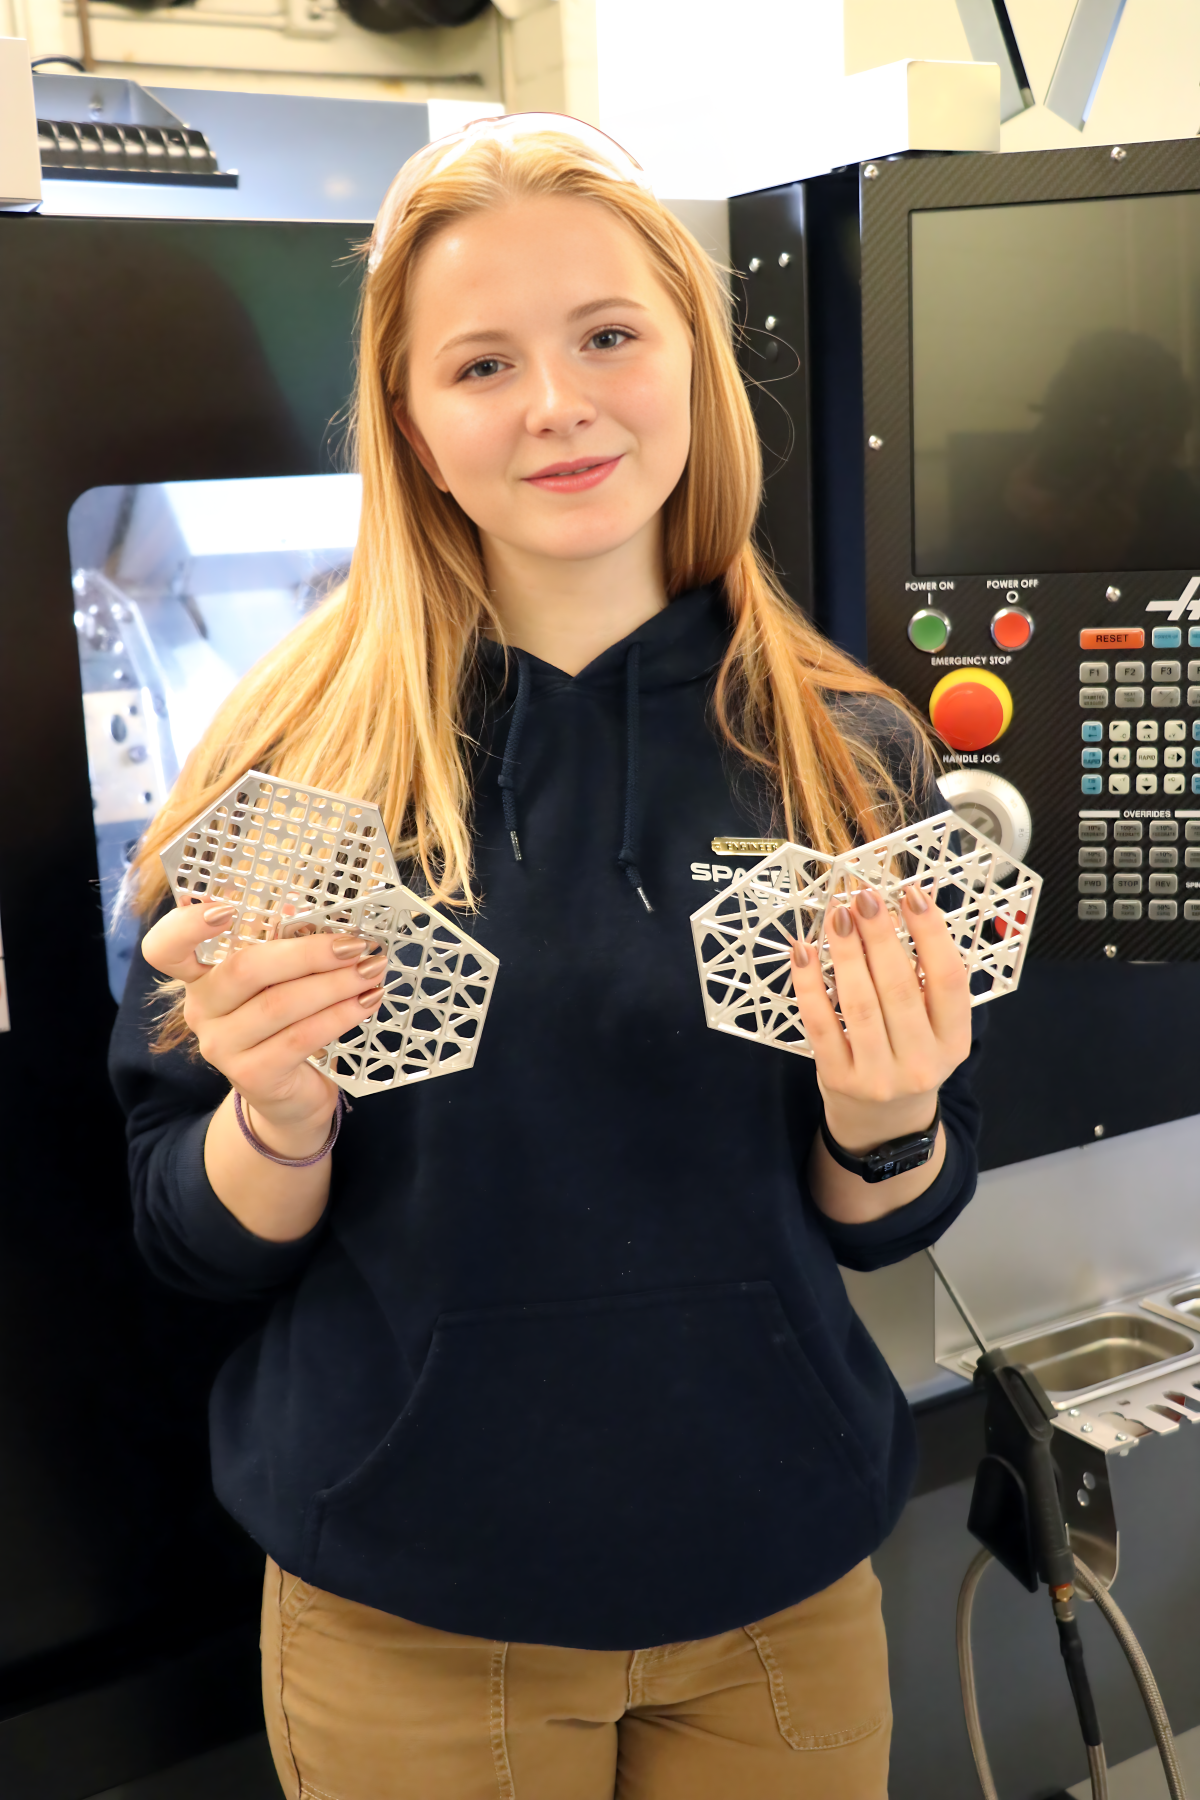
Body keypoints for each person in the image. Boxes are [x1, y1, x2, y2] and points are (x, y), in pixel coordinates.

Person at [110, 114, 980, 1800]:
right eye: (482, 363)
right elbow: (179, 1230)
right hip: (414, 1613)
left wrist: (889, 1114)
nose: (557, 404)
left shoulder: (851, 754)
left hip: (779, 1591)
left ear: (693, 367)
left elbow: (893, 1216)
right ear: (416, 430)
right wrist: (275, 1120)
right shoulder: (292, 769)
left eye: (607, 337)